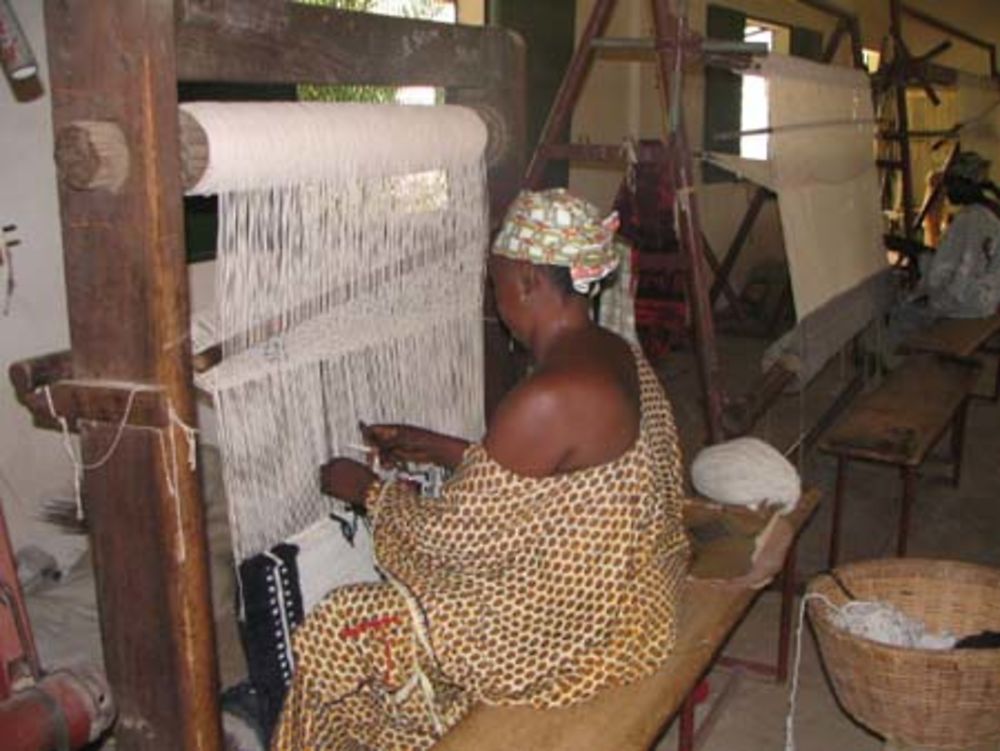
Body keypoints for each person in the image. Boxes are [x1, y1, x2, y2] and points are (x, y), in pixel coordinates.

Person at [271, 189, 690, 751]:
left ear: (527, 280)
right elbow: (555, 488)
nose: (495, 301)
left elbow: (452, 537)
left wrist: (366, 490)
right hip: (638, 599)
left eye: (495, 284)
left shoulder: (550, 394)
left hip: (585, 637)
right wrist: (435, 445)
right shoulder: (613, 351)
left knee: (339, 627)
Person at [886, 151, 1000, 359]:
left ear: (967, 184)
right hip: (984, 297)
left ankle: (903, 371)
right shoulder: (987, 211)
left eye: (951, 183)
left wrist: (935, 299)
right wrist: (917, 251)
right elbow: (955, 258)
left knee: (900, 314)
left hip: (970, 304)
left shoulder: (972, 220)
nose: (946, 190)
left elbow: (965, 272)